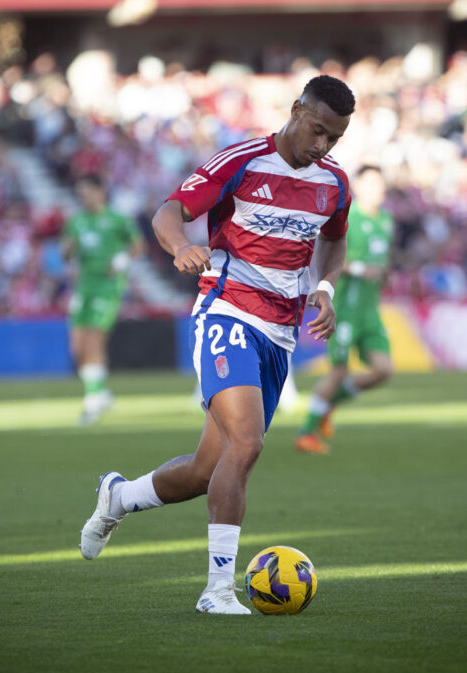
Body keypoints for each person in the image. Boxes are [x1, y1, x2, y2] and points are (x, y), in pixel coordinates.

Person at [79, 75, 355, 614]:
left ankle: (120, 496)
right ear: (296, 109)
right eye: (318, 130)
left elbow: (335, 239)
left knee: (209, 469)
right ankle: (217, 591)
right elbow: (168, 212)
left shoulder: (335, 184)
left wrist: (324, 287)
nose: (322, 145)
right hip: (226, 310)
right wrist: (181, 246)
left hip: (281, 332)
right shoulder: (242, 161)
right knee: (247, 444)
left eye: (334, 139)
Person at [295, 165, 394, 455]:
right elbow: (330, 256)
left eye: (381, 183)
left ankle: (327, 406)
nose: (378, 189)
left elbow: (382, 260)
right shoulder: (348, 217)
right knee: (338, 371)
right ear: (358, 187)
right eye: (371, 183)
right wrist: (364, 269)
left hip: (370, 310)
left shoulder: (386, 220)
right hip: (344, 308)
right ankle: (305, 433)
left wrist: (384, 273)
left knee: (383, 371)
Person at [62, 174, 145, 425]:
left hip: (107, 286)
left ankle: (93, 399)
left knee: (94, 339)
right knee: (77, 346)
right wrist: (66, 249)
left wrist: (121, 260)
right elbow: (66, 253)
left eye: (86, 191)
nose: (83, 197)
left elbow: (138, 246)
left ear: (100, 192)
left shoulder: (117, 219)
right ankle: (103, 393)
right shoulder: (76, 221)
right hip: (83, 286)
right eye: (80, 193)